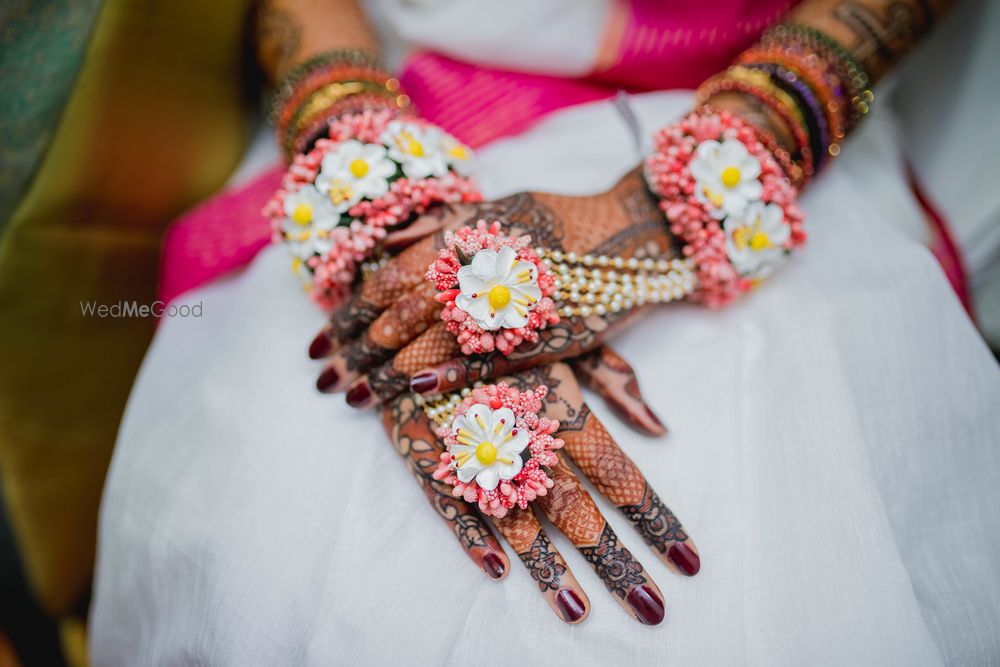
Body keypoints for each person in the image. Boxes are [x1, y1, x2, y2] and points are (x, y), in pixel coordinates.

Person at [39, 0, 1000, 663]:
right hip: (400, 96)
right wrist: (383, 212)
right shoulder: (378, 173)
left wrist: (670, 209)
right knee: (266, 549)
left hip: (764, 106)